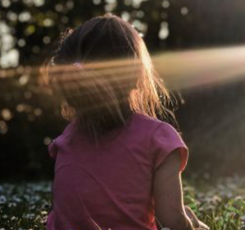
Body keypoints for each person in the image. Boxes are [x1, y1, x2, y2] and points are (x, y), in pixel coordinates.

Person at [44, 14, 209, 230]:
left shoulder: (65, 142)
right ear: (136, 75)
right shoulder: (158, 138)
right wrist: (196, 226)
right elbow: (171, 221)